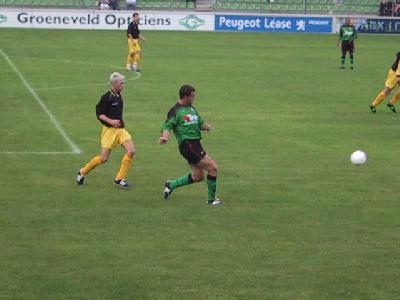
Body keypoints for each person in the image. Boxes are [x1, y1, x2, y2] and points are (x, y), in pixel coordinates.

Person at [158, 85, 223, 206]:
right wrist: (165, 137)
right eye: (192, 96)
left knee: (198, 176)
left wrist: (205, 126)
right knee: (213, 168)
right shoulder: (175, 111)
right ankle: (211, 200)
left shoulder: (191, 108)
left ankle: (171, 185)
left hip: (195, 144)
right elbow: (167, 126)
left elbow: (199, 122)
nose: (194, 98)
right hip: (188, 145)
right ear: (186, 96)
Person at [77, 72, 136, 188]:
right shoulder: (106, 97)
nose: (123, 85)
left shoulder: (119, 95)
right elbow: (100, 114)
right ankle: (82, 172)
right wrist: (111, 121)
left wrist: (117, 123)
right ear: (114, 84)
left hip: (120, 130)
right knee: (103, 159)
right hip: (109, 131)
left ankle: (119, 178)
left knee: (131, 151)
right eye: (121, 83)